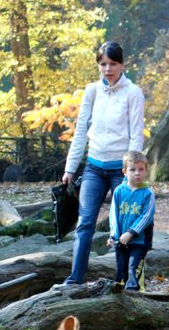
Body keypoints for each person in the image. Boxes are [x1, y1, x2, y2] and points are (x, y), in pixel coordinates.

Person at [63, 41, 145, 285]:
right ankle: (75, 279)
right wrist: (70, 168)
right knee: (85, 222)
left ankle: (125, 280)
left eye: (113, 64)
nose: (108, 69)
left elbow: (136, 135)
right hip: (94, 167)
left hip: (121, 170)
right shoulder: (91, 91)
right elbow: (80, 132)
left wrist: (133, 172)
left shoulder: (133, 93)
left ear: (122, 64)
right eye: (103, 64)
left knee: (122, 226)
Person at [108, 151, 155, 291]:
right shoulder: (119, 191)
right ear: (124, 171)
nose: (137, 173)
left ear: (146, 171)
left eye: (141, 169)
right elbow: (113, 214)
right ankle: (119, 297)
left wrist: (131, 233)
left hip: (139, 241)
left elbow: (146, 216)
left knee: (134, 268)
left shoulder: (148, 193)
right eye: (132, 169)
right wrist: (114, 235)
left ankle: (135, 295)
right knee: (121, 270)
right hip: (121, 241)